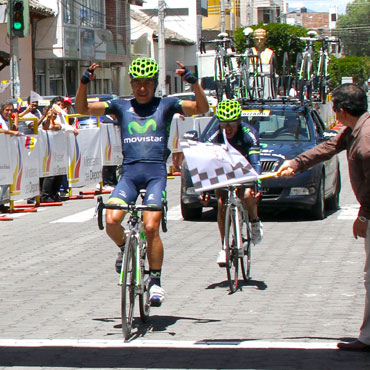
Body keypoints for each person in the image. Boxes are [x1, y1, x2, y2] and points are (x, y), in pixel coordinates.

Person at [75, 57, 209, 306]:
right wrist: (84, 82)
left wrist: (194, 83)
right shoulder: (120, 106)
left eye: (147, 83)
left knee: (150, 227)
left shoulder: (167, 105)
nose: (142, 88)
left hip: (155, 174)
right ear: (131, 83)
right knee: (111, 220)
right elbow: (82, 109)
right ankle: (125, 247)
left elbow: (201, 108)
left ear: (155, 84)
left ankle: (155, 281)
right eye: (137, 83)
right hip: (129, 175)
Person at [277, 83, 370, 351]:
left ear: (340, 111)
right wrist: (295, 164)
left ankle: (368, 338)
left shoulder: (364, 142)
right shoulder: (356, 130)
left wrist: (364, 215)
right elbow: (328, 147)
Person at [201, 99, 263, 266]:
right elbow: (205, 165)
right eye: (223, 123)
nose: (227, 128)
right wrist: (204, 190)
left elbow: (255, 162)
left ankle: (255, 222)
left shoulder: (249, 134)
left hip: (244, 168)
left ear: (239, 122)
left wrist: (257, 184)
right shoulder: (213, 136)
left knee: (247, 195)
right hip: (223, 170)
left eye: (231, 123)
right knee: (221, 202)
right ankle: (224, 247)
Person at [0, 101, 21, 210]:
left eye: (11, 110)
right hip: (1, 154)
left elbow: (14, 130)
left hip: (5, 154)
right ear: (2, 110)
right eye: (7, 110)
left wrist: (16, 119)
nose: (9, 112)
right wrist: (12, 132)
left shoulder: (8, 121)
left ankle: (1, 203)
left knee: (6, 180)